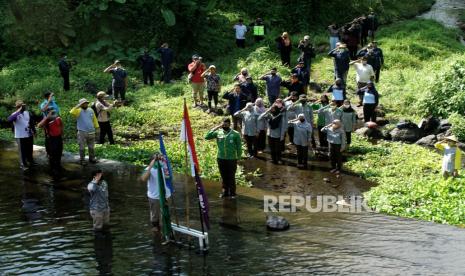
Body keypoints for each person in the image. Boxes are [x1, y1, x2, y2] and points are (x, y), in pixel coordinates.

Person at [205, 118, 242, 198]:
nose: (224, 126)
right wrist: (217, 127)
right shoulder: (218, 133)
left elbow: (239, 147)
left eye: (226, 124)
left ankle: (232, 193)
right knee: (223, 176)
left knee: (231, 176)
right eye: (223, 124)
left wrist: (238, 157)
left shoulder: (235, 134)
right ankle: (225, 192)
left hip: (231, 158)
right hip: (221, 158)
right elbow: (207, 137)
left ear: (229, 124)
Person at [140, 153, 172, 232]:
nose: (159, 160)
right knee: (155, 214)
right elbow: (143, 179)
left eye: (160, 159)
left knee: (166, 213)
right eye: (157, 159)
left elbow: (168, 178)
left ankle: (166, 229)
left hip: (166, 195)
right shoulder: (148, 169)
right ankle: (155, 228)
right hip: (154, 196)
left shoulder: (164, 167)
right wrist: (150, 166)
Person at [7, 100, 36, 170]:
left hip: (28, 134)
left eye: (24, 106)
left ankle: (30, 161)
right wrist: (18, 111)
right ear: (18, 107)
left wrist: (34, 131)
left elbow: (31, 122)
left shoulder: (27, 113)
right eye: (22, 106)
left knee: (29, 149)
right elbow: (9, 119)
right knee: (22, 151)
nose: (24, 107)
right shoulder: (15, 114)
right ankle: (23, 164)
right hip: (20, 136)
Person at [69, 98, 99, 165]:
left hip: (91, 131)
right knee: (82, 147)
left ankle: (92, 158)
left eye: (86, 103)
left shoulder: (91, 110)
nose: (85, 104)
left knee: (91, 147)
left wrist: (97, 128)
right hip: (82, 132)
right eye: (83, 103)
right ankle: (82, 160)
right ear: (81, 104)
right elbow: (71, 112)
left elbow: (94, 119)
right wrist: (78, 105)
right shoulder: (78, 111)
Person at [37, 108, 63, 175]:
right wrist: (47, 117)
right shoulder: (47, 120)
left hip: (59, 138)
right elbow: (39, 125)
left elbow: (61, 125)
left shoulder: (58, 118)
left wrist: (61, 133)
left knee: (59, 153)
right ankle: (53, 168)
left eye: (53, 111)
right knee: (53, 155)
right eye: (50, 112)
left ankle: (58, 166)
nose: (52, 113)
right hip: (51, 139)